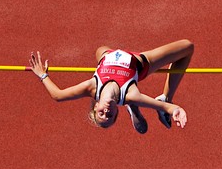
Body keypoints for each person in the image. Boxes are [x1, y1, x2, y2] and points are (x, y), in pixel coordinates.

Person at [28, 39, 194, 133]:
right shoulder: (130, 95)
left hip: (106, 56)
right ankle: (166, 95)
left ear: (96, 106)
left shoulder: (92, 87)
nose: (106, 112)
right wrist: (172, 108)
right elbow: (170, 109)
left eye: (101, 113)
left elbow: (58, 95)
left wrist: (42, 75)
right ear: (116, 112)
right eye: (109, 116)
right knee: (187, 47)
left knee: (100, 49)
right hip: (141, 62)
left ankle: (133, 109)